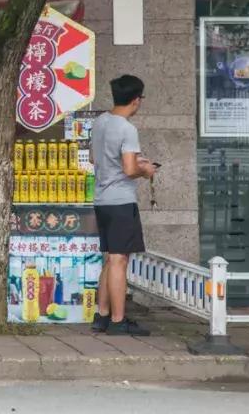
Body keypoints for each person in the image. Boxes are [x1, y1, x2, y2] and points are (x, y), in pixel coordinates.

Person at [90, 75, 157, 337]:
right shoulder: (128, 129)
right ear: (136, 100)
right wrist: (145, 170)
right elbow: (129, 169)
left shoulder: (100, 122)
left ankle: (102, 315)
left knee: (109, 259)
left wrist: (132, 164)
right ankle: (118, 321)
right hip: (120, 201)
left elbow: (96, 157)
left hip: (102, 200)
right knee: (119, 260)